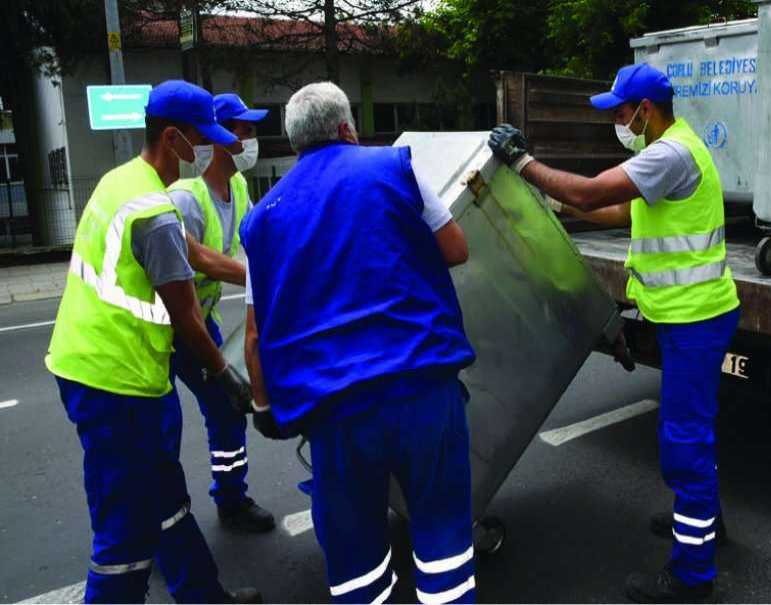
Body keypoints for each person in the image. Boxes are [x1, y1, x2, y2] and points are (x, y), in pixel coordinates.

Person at [488, 63, 740, 603]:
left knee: (682, 440)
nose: (618, 120)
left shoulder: (668, 153)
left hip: (694, 319)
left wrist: (523, 163)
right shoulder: (676, 148)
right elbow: (622, 209)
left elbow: (590, 194)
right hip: (692, 315)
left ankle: (693, 574)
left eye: (622, 112)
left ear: (645, 110)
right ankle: (704, 521)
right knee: (695, 426)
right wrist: (551, 201)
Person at [241, 81, 477, 604]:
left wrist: (264, 406)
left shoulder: (261, 220)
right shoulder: (395, 168)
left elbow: (255, 336)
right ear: (347, 127)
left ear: (293, 143)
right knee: (443, 545)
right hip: (422, 389)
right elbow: (456, 250)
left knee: (356, 568)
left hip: (335, 411)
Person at [45, 80, 260, 604]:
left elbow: (196, 257)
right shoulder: (157, 215)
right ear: (172, 138)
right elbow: (186, 315)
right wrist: (226, 377)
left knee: (164, 495)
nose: (210, 147)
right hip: (114, 380)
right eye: (200, 137)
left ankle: (204, 595)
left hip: (94, 365)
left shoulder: (123, 182)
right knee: (126, 529)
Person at [166, 92, 275, 533]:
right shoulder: (185, 198)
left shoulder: (239, 187)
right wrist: (263, 280)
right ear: (215, 135)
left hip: (198, 319)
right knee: (159, 432)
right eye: (240, 129)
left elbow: (255, 242)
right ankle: (158, 523)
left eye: (251, 130)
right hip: (159, 328)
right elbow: (203, 260)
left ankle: (232, 499)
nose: (248, 139)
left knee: (230, 407)